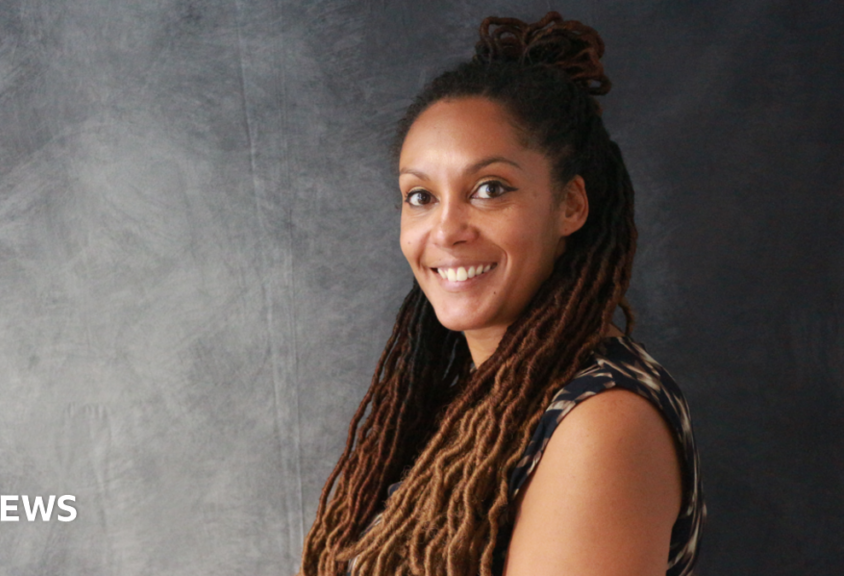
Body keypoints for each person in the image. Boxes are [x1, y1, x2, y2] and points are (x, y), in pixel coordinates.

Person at [299, 12, 705, 576]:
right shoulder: (476, 395)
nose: (445, 230)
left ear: (570, 206)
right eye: (420, 196)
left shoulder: (600, 423)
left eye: (489, 189)